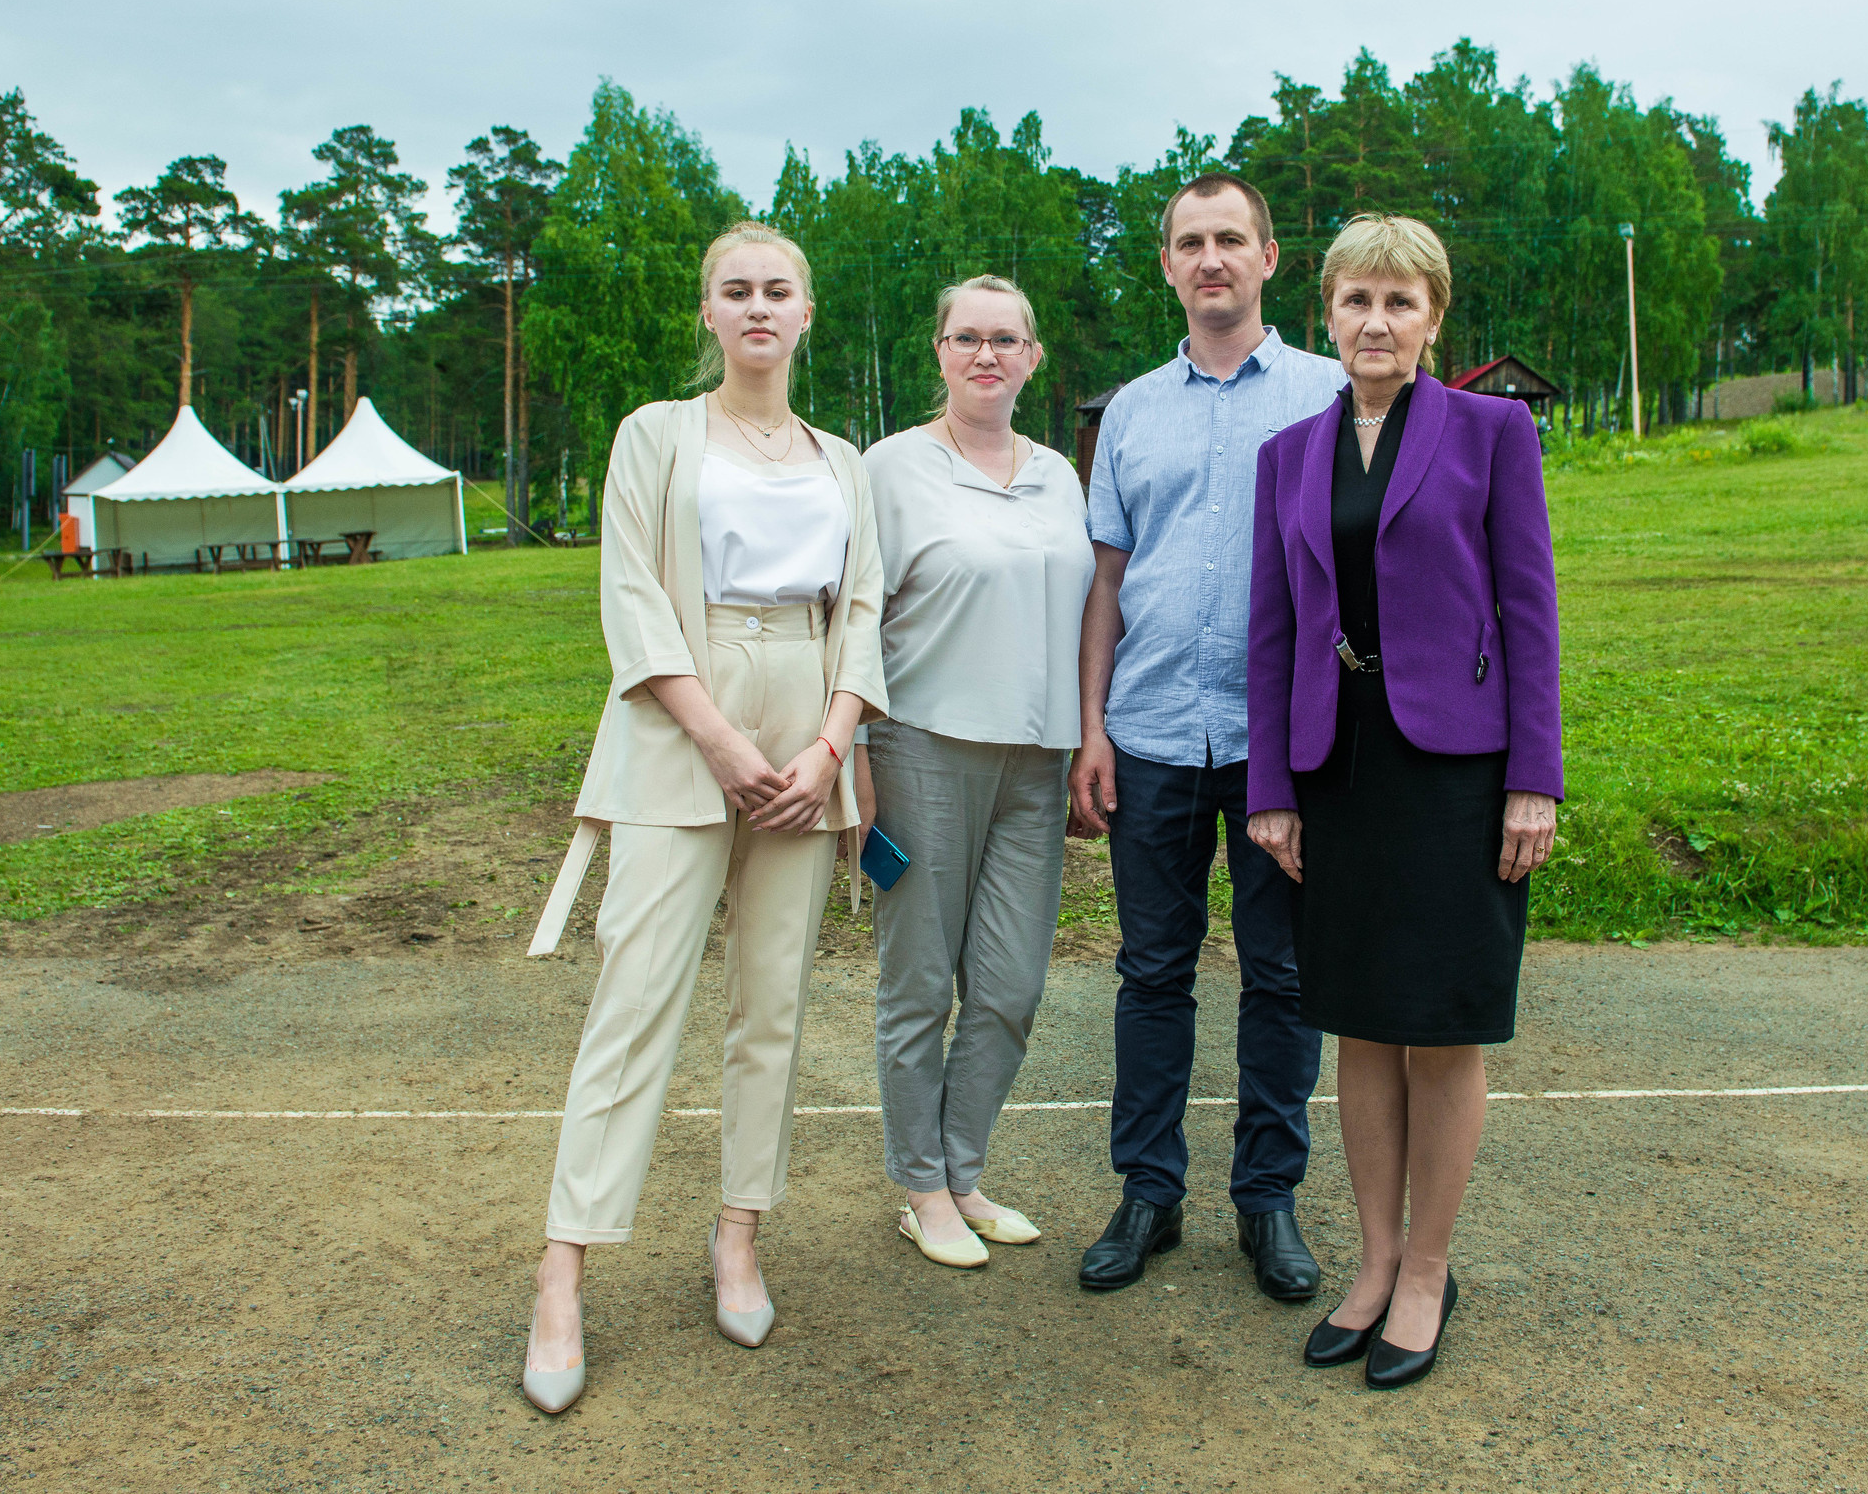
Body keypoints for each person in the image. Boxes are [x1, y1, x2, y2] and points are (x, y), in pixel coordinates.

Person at [521, 220, 887, 1415]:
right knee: (635, 999)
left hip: (807, 713)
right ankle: (564, 1266)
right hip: (685, 712)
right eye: (736, 291)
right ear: (710, 313)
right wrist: (723, 743)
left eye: (778, 288)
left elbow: (865, 605)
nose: (758, 307)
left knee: (769, 1003)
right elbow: (632, 595)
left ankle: (739, 1232)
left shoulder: (842, 456)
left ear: (807, 309)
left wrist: (829, 741)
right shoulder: (656, 435)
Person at [1246, 213, 1562, 1390]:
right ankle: (1372, 1262)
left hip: (1456, 768)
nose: (1374, 322)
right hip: (1337, 768)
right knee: (1359, 1025)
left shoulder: (1492, 433)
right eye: (1355, 301)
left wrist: (1533, 776)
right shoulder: (1288, 455)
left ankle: (1428, 1269)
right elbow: (1270, 629)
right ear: (1324, 313)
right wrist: (1273, 790)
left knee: (1438, 1026)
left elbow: (1529, 612)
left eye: (1399, 302)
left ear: (1434, 318)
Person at [1069, 173, 1347, 1300]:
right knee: (1151, 972)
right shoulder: (1131, 410)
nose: (1211, 257)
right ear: (1169, 264)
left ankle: (1267, 1201)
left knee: (1281, 977)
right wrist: (1089, 725)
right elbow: (1106, 579)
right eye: (1190, 242)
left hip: (1286, 745)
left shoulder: (1334, 394)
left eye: (1230, 238)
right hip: (1149, 731)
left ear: (1271, 257)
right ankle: (1149, 1190)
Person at [860, 275, 1096, 1269]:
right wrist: (855, 762)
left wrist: (1086, 736)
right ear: (939, 351)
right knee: (918, 983)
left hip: (1035, 765)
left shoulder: (1057, 474)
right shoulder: (889, 468)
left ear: (1033, 357)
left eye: (1006, 339)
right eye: (967, 337)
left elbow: (1087, 610)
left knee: (1008, 984)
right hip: (919, 751)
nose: (986, 354)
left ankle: (963, 1169)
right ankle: (920, 1185)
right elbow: (852, 619)